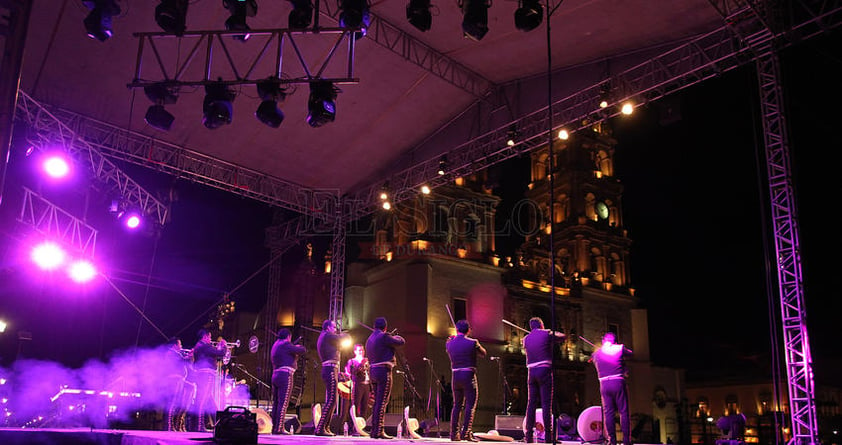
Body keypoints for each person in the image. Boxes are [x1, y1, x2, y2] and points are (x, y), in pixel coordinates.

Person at [522, 317, 565, 443]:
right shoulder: (546, 333)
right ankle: (548, 436)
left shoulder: (525, 339)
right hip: (544, 370)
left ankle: (528, 436)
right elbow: (563, 336)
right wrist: (549, 331)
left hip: (531, 372)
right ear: (541, 325)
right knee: (546, 404)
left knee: (531, 404)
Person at [446, 319, 487, 442]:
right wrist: (476, 345)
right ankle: (466, 433)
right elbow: (483, 353)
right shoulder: (473, 342)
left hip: (455, 376)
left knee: (457, 405)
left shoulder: (449, 343)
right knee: (470, 404)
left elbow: (450, 351)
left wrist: (451, 340)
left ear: (457, 330)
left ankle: (454, 434)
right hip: (468, 375)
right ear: (468, 330)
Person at [588, 332, 633, 445]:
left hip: (604, 384)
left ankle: (611, 440)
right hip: (617, 381)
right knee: (623, 411)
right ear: (614, 340)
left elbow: (592, 361)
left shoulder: (597, 353)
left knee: (608, 413)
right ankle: (626, 440)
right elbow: (631, 354)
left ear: (603, 341)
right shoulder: (619, 347)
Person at [366, 316, 406, 439]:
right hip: (383, 370)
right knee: (382, 402)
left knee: (377, 402)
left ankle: (374, 430)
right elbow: (401, 341)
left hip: (373, 370)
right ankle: (379, 430)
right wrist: (395, 336)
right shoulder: (384, 336)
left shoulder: (370, 338)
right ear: (385, 327)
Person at [315, 319, 350, 436]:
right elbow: (342, 338)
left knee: (333, 400)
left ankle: (325, 427)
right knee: (331, 400)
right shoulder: (327, 335)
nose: (335, 330)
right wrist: (346, 334)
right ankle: (320, 428)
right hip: (330, 369)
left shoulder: (326, 336)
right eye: (334, 327)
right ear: (328, 327)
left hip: (331, 369)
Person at [270, 328, 306, 435]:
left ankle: (275, 427)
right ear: (288, 337)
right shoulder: (286, 344)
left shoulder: (275, 345)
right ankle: (279, 428)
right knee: (283, 402)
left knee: (276, 403)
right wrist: (298, 347)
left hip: (276, 374)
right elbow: (302, 350)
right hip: (285, 375)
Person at [190, 329, 227, 432]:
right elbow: (220, 353)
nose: (210, 339)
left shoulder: (198, 346)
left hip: (201, 375)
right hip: (206, 375)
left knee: (209, 401)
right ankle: (199, 426)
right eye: (209, 337)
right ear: (205, 337)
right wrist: (224, 345)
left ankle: (219, 424)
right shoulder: (205, 346)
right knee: (202, 401)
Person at [164, 337, 192, 432]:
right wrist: (190, 356)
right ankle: (169, 426)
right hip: (174, 380)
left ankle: (174, 424)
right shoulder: (171, 353)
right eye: (180, 344)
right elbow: (182, 362)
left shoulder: (175, 354)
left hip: (178, 379)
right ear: (175, 345)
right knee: (173, 402)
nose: (181, 346)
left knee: (176, 402)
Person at [346, 343, 371, 434]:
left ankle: (362, 427)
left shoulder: (367, 361)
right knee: (355, 406)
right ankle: (353, 427)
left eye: (363, 350)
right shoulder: (352, 361)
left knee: (364, 407)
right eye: (359, 350)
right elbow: (350, 373)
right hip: (358, 384)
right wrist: (361, 364)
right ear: (355, 351)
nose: (361, 352)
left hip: (367, 385)